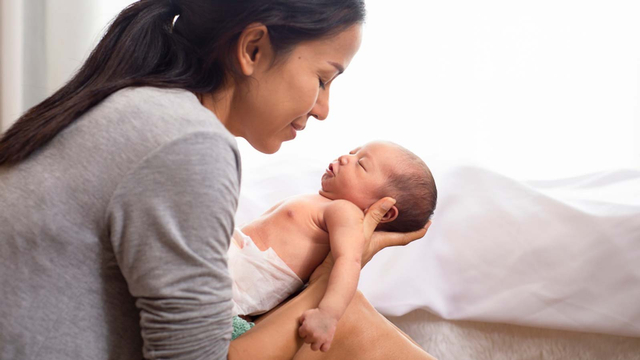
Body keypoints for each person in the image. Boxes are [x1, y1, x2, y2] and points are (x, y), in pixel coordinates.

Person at [0, 1, 434, 359]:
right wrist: (324, 284)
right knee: (346, 317)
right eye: (322, 79)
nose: (323, 109)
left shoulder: (135, 106)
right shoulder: (187, 141)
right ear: (253, 49)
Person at [229, 140, 437, 352]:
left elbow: (349, 261)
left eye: (361, 164)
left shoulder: (344, 211)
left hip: (236, 284)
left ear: (385, 211)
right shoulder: (322, 203)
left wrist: (328, 314)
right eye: (352, 153)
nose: (345, 158)